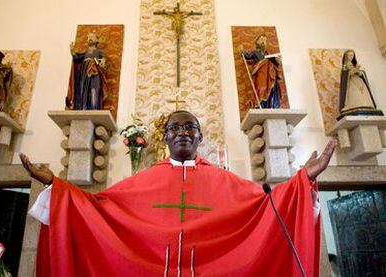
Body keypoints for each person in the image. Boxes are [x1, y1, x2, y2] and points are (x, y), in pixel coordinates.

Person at [21, 110, 336, 276]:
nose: (182, 133)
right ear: (165, 137)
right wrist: (55, 186)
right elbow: (95, 211)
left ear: (200, 138)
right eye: (174, 128)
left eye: (190, 128)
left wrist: (301, 181)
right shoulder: (140, 183)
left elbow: (269, 208)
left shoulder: (227, 183)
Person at [66, 31, 108, 110]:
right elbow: (76, 58)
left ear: (97, 40)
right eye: (89, 37)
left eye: (93, 37)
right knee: (84, 90)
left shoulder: (99, 52)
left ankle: (94, 106)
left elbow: (103, 62)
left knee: (94, 89)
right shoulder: (85, 53)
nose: (90, 38)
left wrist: (103, 61)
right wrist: (72, 51)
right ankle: (83, 107)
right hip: (84, 74)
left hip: (95, 73)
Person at [337, 49, 383, 120]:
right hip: (351, 83)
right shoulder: (345, 66)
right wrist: (354, 70)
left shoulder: (355, 64)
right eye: (349, 55)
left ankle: (365, 105)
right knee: (354, 95)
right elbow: (345, 75)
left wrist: (359, 71)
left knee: (363, 95)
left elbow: (361, 73)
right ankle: (353, 106)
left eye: (352, 55)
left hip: (359, 82)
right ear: (346, 56)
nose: (351, 57)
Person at [242, 34, 283, 109]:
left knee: (271, 86)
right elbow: (247, 56)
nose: (263, 42)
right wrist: (242, 52)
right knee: (261, 87)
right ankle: (259, 103)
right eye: (261, 40)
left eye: (265, 40)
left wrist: (277, 61)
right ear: (257, 42)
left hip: (269, 73)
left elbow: (274, 63)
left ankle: (269, 104)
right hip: (260, 72)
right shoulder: (255, 52)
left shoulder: (267, 53)